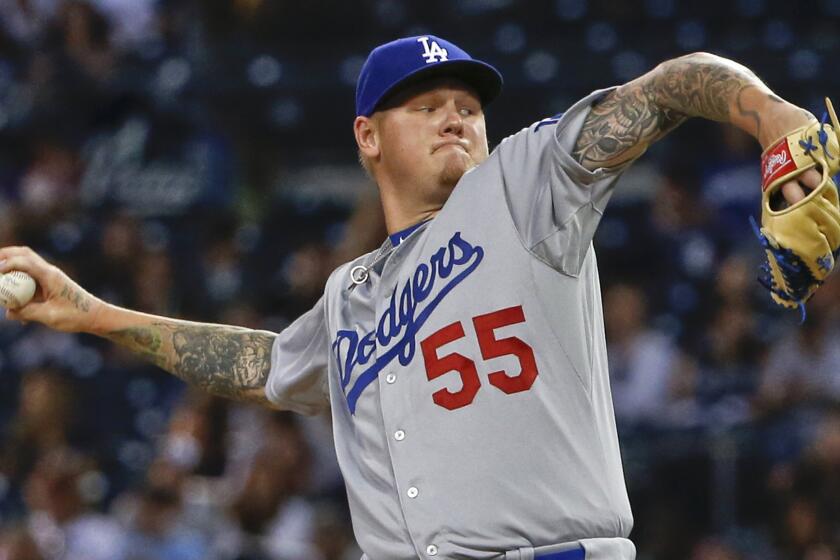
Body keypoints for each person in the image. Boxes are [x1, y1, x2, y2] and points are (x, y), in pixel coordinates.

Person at [0, 35, 823, 559]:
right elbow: (262, 366)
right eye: (427, 106)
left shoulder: (522, 187)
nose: (457, 120)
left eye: (468, 107)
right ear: (367, 137)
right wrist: (92, 314)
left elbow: (673, 83)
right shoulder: (350, 295)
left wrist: (773, 116)